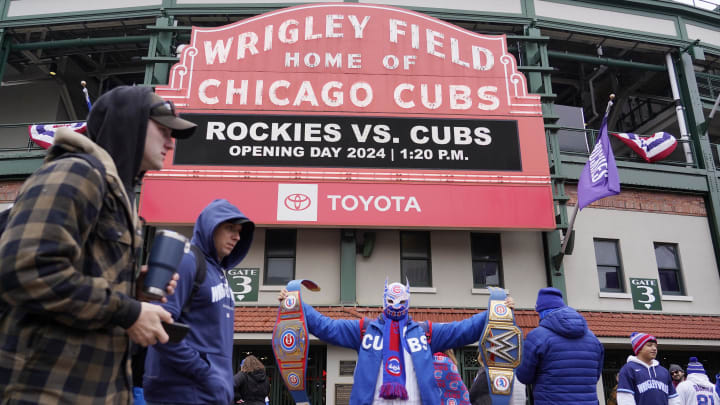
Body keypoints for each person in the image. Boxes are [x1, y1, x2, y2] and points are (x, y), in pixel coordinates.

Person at [0, 86, 195, 403]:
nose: (171, 142)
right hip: (45, 391)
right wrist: (129, 311)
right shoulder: (75, 172)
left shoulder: (115, 192)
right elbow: (25, 270)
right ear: (128, 123)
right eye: (163, 129)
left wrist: (133, 290)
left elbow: (74, 286)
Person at [278, 280, 514, 404]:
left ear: (409, 301)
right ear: (384, 300)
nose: (396, 305)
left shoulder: (425, 333)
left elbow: (464, 330)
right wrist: (297, 304)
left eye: (401, 301)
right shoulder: (364, 330)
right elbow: (324, 326)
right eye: (391, 300)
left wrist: (494, 311)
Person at [143, 198, 254, 405]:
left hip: (209, 394)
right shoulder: (187, 261)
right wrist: (206, 374)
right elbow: (158, 325)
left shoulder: (219, 273)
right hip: (181, 392)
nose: (237, 236)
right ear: (210, 227)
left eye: (239, 231)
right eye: (229, 228)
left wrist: (219, 383)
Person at [515, 287, 604, 404]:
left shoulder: (537, 336)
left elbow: (524, 377)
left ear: (541, 311)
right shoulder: (593, 339)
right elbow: (595, 376)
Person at [616, 332, 680, 405]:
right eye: (649, 345)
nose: (654, 348)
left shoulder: (663, 371)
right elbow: (625, 399)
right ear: (639, 348)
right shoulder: (628, 369)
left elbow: (673, 398)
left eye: (655, 346)